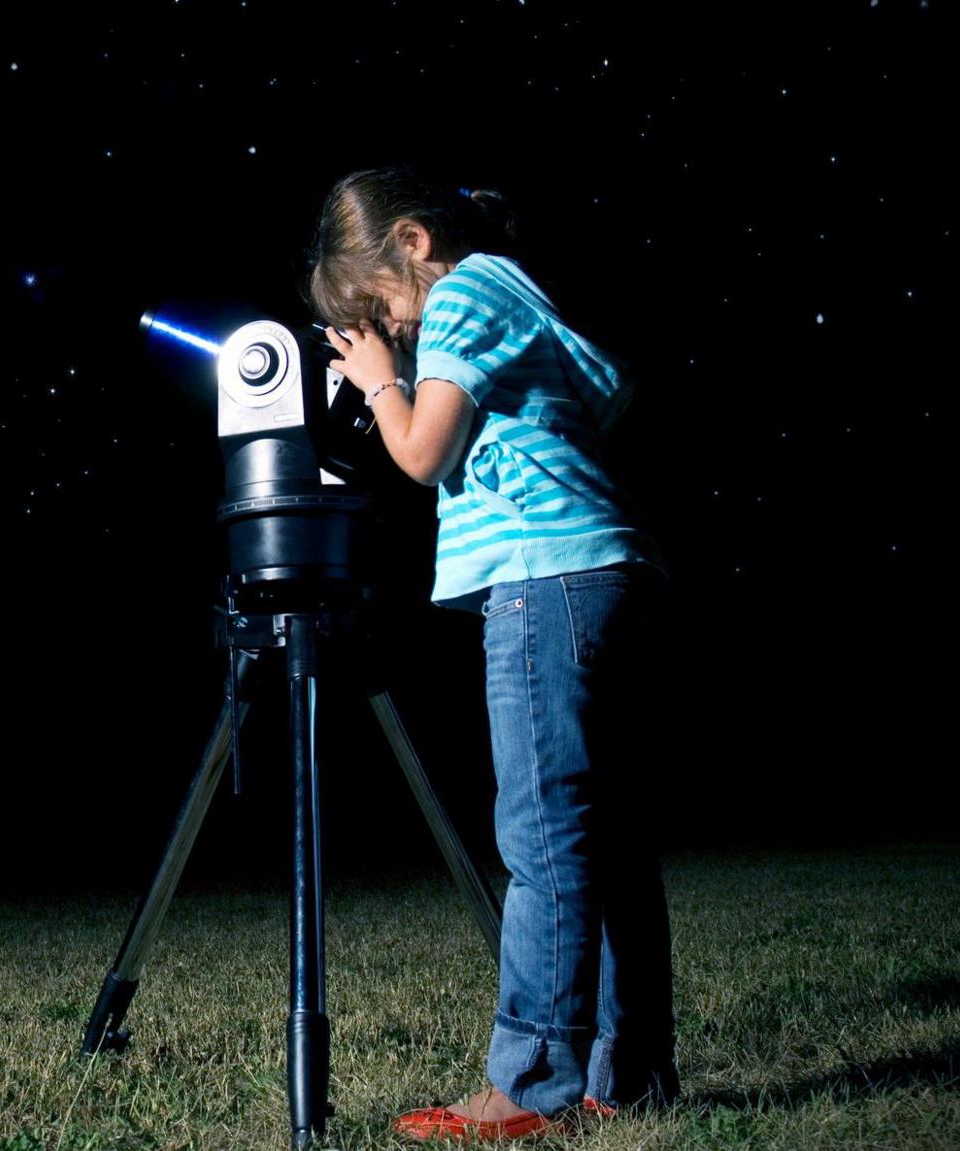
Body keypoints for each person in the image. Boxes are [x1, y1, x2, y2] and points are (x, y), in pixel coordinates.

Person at [305, 165, 682, 1141]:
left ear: (413, 246)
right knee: (607, 836)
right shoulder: (517, 291)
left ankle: (532, 1078)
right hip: (607, 568)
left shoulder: (468, 287)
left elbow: (421, 452)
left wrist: (381, 381)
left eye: (382, 306)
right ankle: (627, 1068)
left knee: (544, 827)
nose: (392, 330)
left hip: (543, 577)